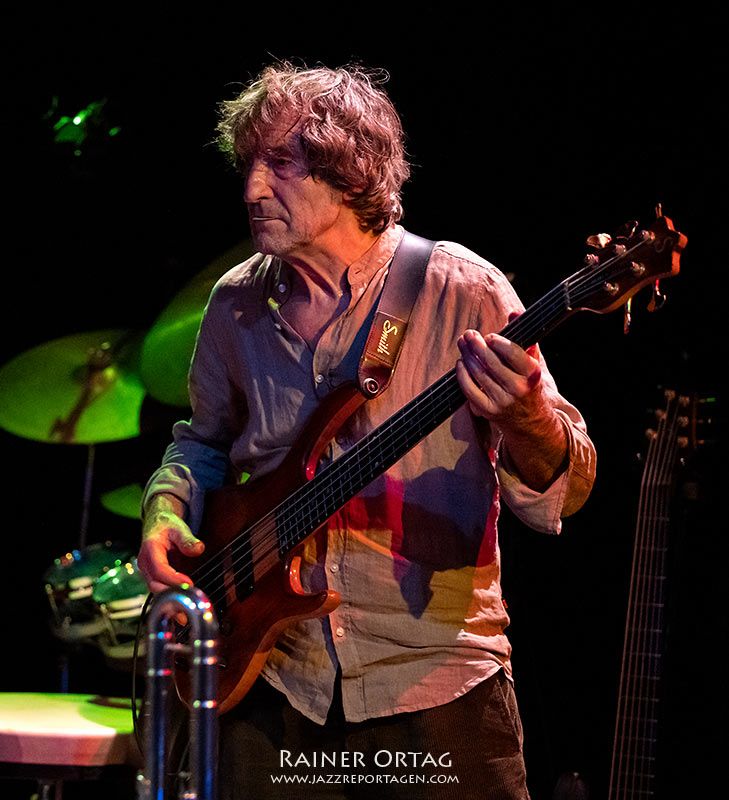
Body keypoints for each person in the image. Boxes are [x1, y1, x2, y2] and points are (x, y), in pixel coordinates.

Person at [138, 63, 596, 799]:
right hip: (273, 676)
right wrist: (165, 508)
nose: (252, 189)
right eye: (248, 165)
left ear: (349, 173)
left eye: (280, 165)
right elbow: (202, 442)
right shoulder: (235, 305)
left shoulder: (462, 289)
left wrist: (525, 416)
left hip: (434, 684)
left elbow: (565, 488)